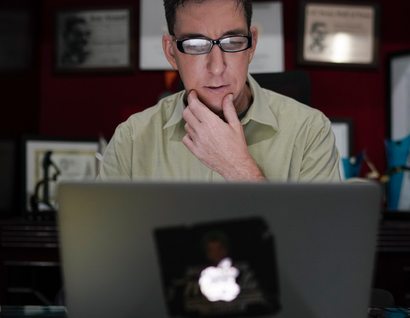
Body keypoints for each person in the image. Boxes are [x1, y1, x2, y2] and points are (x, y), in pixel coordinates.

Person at [98, 0, 340, 182]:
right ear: (171, 52)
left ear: (251, 45)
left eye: (232, 42)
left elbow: (319, 246)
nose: (217, 67)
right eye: (195, 45)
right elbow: (104, 246)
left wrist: (238, 168)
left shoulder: (310, 132)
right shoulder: (131, 140)